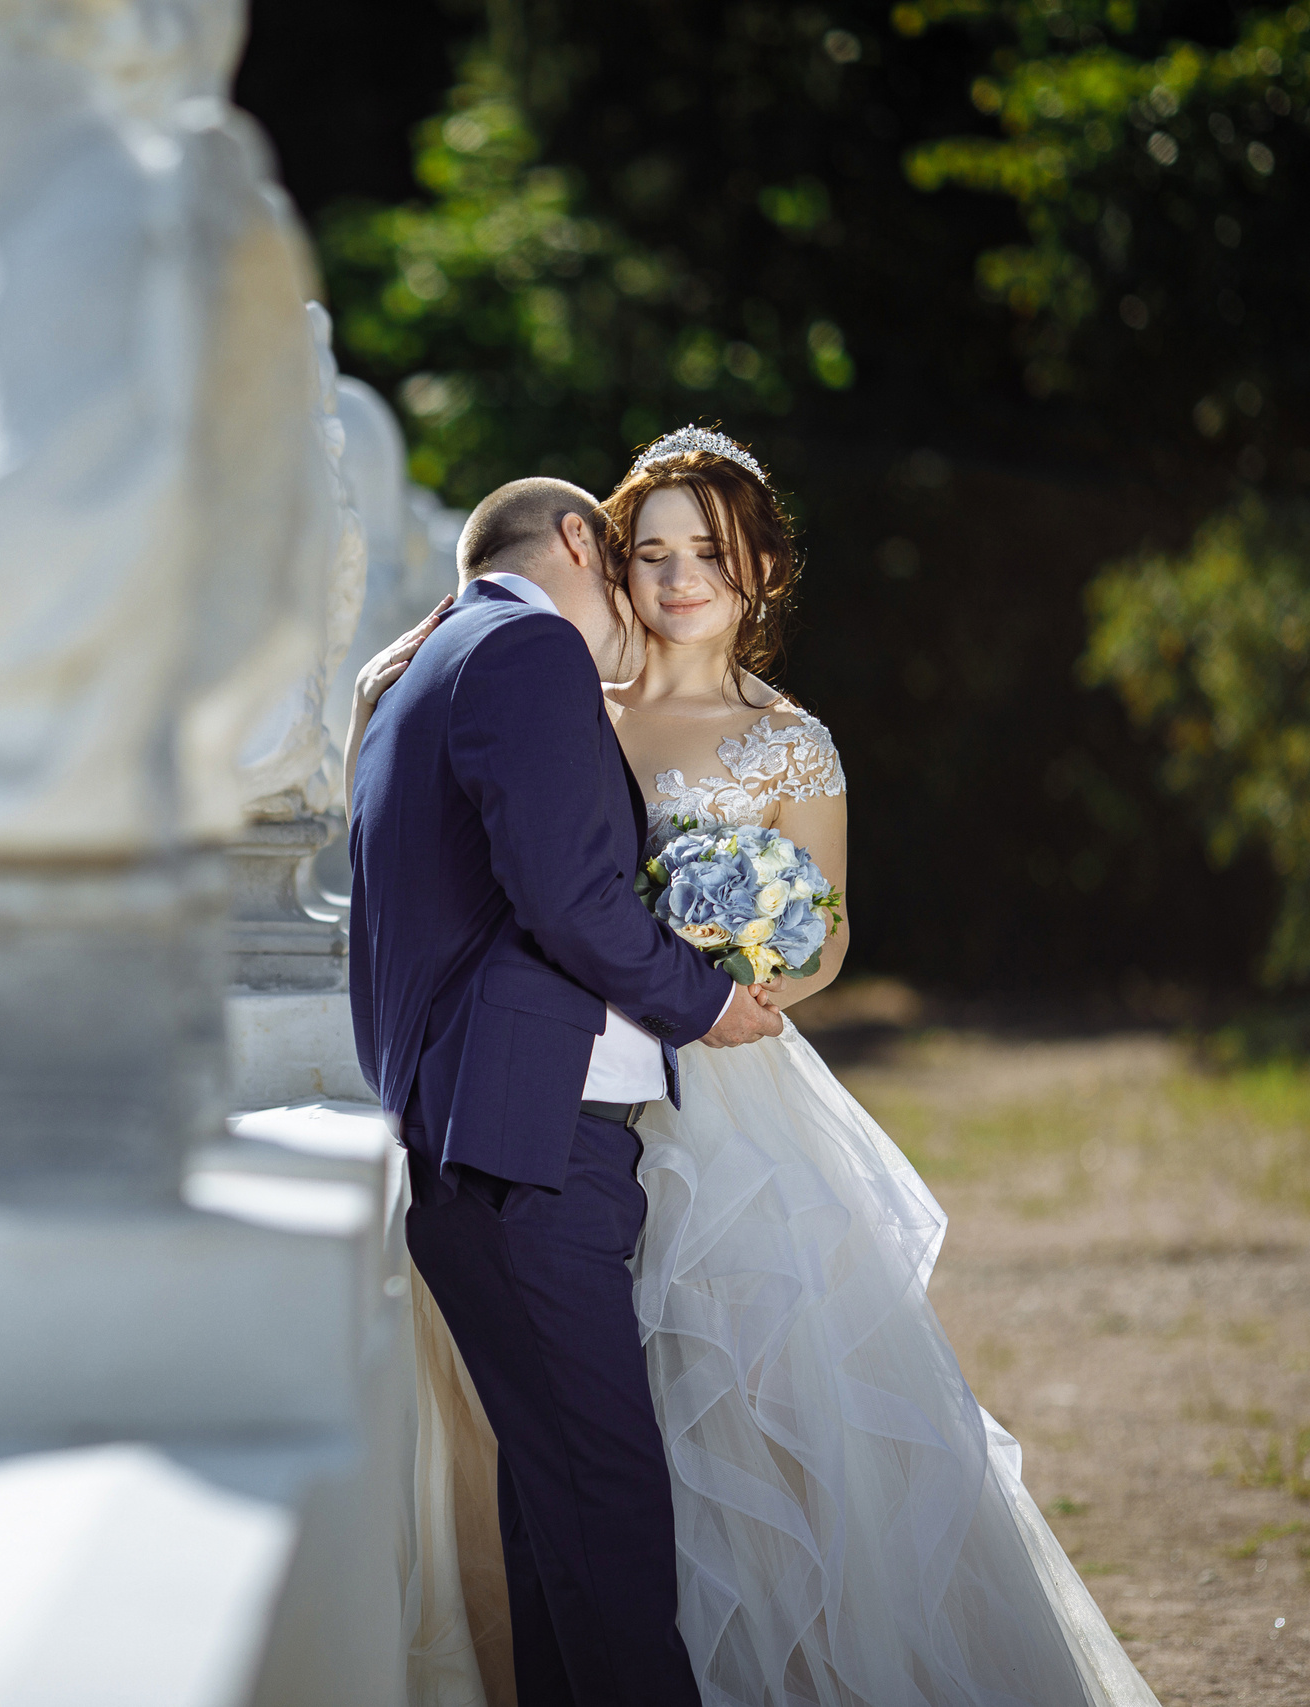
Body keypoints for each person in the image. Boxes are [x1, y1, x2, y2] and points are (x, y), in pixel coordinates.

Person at [350, 428, 1162, 1707]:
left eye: (706, 555)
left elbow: (827, 927)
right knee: (588, 1463)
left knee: (751, 1432)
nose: (677, 580)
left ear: (759, 571)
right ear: (602, 558)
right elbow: (533, 875)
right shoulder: (555, 680)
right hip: (571, 1097)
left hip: (716, 1093)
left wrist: (764, 956)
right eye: (651, 552)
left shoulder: (788, 742)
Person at [345, 462, 786, 1707]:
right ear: (585, 545)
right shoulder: (526, 649)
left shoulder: (431, 664)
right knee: (612, 1529)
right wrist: (705, 1002)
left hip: (486, 1150)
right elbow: (569, 896)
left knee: (560, 1537)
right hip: (531, 1153)